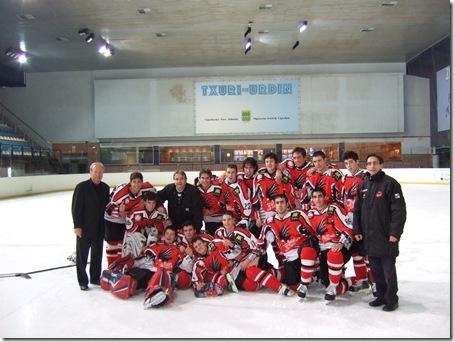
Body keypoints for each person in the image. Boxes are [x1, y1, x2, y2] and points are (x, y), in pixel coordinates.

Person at [353, 153, 406, 312]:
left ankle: (391, 299)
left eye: (375, 163)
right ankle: (381, 296)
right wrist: (357, 230)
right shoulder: (363, 185)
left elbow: (399, 211)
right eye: (369, 163)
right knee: (376, 270)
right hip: (369, 236)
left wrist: (394, 233)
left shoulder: (390, 184)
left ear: (381, 165)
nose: (372, 166)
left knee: (388, 270)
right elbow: (357, 210)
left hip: (386, 236)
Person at [307, 188, 353, 301]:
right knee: (326, 282)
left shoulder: (334, 209)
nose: (317, 199)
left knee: (333, 256)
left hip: (339, 249)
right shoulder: (311, 214)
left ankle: (335, 283)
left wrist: (341, 242)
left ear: (325, 197)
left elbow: (349, 227)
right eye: (314, 197)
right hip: (324, 250)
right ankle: (351, 280)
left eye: (320, 196)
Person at [71, 162, 110, 291]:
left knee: (97, 255)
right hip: (85, 228)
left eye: (100, 172)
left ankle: (94, 277)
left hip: (99, 228)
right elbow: (76, 208)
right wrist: (77, 226)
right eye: (96, 172)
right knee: (82, 256)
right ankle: (83, 281)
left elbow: (107, 208)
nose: (98, 174)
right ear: (91, 172)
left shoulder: (105, 187)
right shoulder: (81, 187)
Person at [104, 171, 156, 266]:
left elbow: (156, 197)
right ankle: (111, 267)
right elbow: (108, 209)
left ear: (142, 182)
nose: (136, 184)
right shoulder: (121, 193)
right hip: (112, 220)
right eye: (134, 182)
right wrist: (118, 211)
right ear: (130, 182)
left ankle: (121, 266)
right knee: (113, 244)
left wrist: (159, 205)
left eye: (139, 182)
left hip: (127, 219)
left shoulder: (147, 188)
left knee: (123, 244)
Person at [342, 150, 374, 292]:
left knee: (366, 253)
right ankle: (362, 279)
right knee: (356, 253)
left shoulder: (365, 177)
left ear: (357, 162)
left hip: (362, 220)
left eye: (351, 162)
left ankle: (374, 281)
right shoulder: (345, 178)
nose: (348, 165)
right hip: (349, 221)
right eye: (346, 163)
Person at [197, 169, 225, 235]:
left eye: (207, 178)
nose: (205, 180)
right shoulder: (196, 190)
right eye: (202, 178)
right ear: (199, 179)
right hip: (206, 221)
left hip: (219, 220)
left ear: (211, 178)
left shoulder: (217, 189)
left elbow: (223, 204)